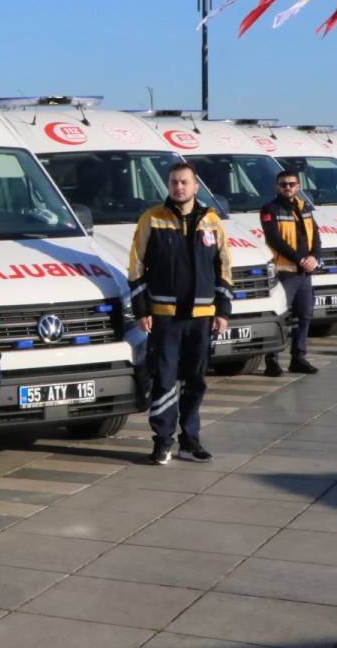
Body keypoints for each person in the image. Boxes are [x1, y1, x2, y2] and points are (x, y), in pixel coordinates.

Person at [127, 162, 232, 465]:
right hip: (164, 317)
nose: (179, 187)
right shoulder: (152, 219)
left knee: (195, 380)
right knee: (163, 379)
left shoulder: (212, 221)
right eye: (174, 182)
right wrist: (142, 310)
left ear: (196, 186)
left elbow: (224, 267)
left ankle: (190, 440)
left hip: (202, 316)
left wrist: (223, 310)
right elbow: (135, 268)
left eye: (184, 182)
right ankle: (162, 442)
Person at [260, 170, 321, 376]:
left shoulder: (305, 207)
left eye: (292, 184)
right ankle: (272, 361)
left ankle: (298, 358)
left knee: (304, 316)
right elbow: (274, 239)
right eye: (283, 184)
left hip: (304, 273)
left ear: (298, 186)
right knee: (281, 317)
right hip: (284, 273)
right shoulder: (270, 209)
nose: (288, 187)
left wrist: (314, 257)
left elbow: (316, 235)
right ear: (277, 186)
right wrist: (300, 259)